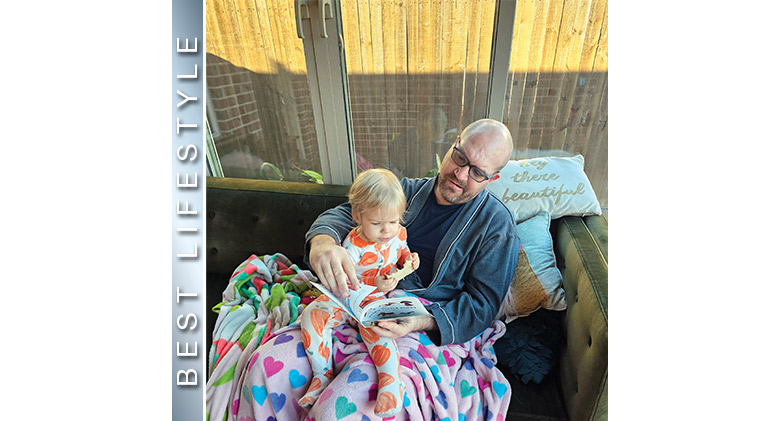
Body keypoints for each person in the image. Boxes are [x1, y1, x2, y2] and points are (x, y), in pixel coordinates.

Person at [305, 118, 520, 347]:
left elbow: (482, 306)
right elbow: (346, 213)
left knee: (366, 378)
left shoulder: (497, 227)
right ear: (452, 145)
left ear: (492, 179)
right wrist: (322, 244)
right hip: (360, 300)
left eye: (477, 172)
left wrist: (422, 320)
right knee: (289, 352)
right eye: (460, 157)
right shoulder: (405, 191)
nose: (460, 174)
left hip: (425, 324)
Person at [297, 168, 420, 417]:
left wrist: (409, 259)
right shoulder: (353, 244)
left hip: (373, 300)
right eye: (376, 223)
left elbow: (402, 251)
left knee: (381, 329)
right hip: (347, 295)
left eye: (393, 222)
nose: (387, 231)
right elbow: (348, 275)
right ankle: (322, 374)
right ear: (357, 216)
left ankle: (390, 383)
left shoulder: (399, 234)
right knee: (312, 315)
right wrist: (374, 279)